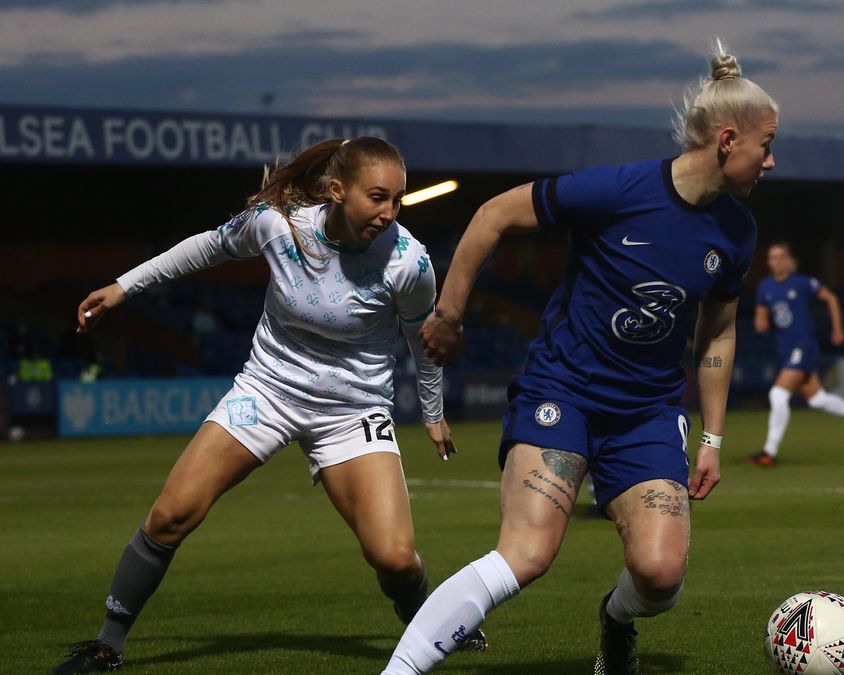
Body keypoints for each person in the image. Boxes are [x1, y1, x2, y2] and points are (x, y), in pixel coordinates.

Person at [381, 40, 777, 675]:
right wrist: (449, 315)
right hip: (560, 392)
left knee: (660, 574)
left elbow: (718, 334)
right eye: (767, 145)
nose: (772, 161)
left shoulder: (737, 232)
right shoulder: (618, 190)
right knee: (527, 553)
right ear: (728, 140)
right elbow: (491, 216)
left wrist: (714, 439)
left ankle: (615, 621)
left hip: (646, 414)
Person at [52, 136, 485, 674]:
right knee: (171, 514)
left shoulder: (407, 263)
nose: (389, 212)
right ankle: (106, 645)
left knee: (394, 557)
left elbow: (427, 338)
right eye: (377, 197)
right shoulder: (278, 225)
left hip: (351, 411)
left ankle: (428, 620)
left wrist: (434, 413)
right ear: (336, 190)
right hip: (268, 392)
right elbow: (206, 247)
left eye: (397, 200)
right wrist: (124, 287)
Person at [746, 241, 844, 467]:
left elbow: (831, 298)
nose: (775, 261)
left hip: (803, 346)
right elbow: (761, 319)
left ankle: (769, 453)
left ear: (789, 260)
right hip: (786, 349)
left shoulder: (802, 283)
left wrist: (837, 330)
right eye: (771, 258)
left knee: (777, 394)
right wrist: (761, 321)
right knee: (817, 399)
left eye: (780, 257)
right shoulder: (765, 287)